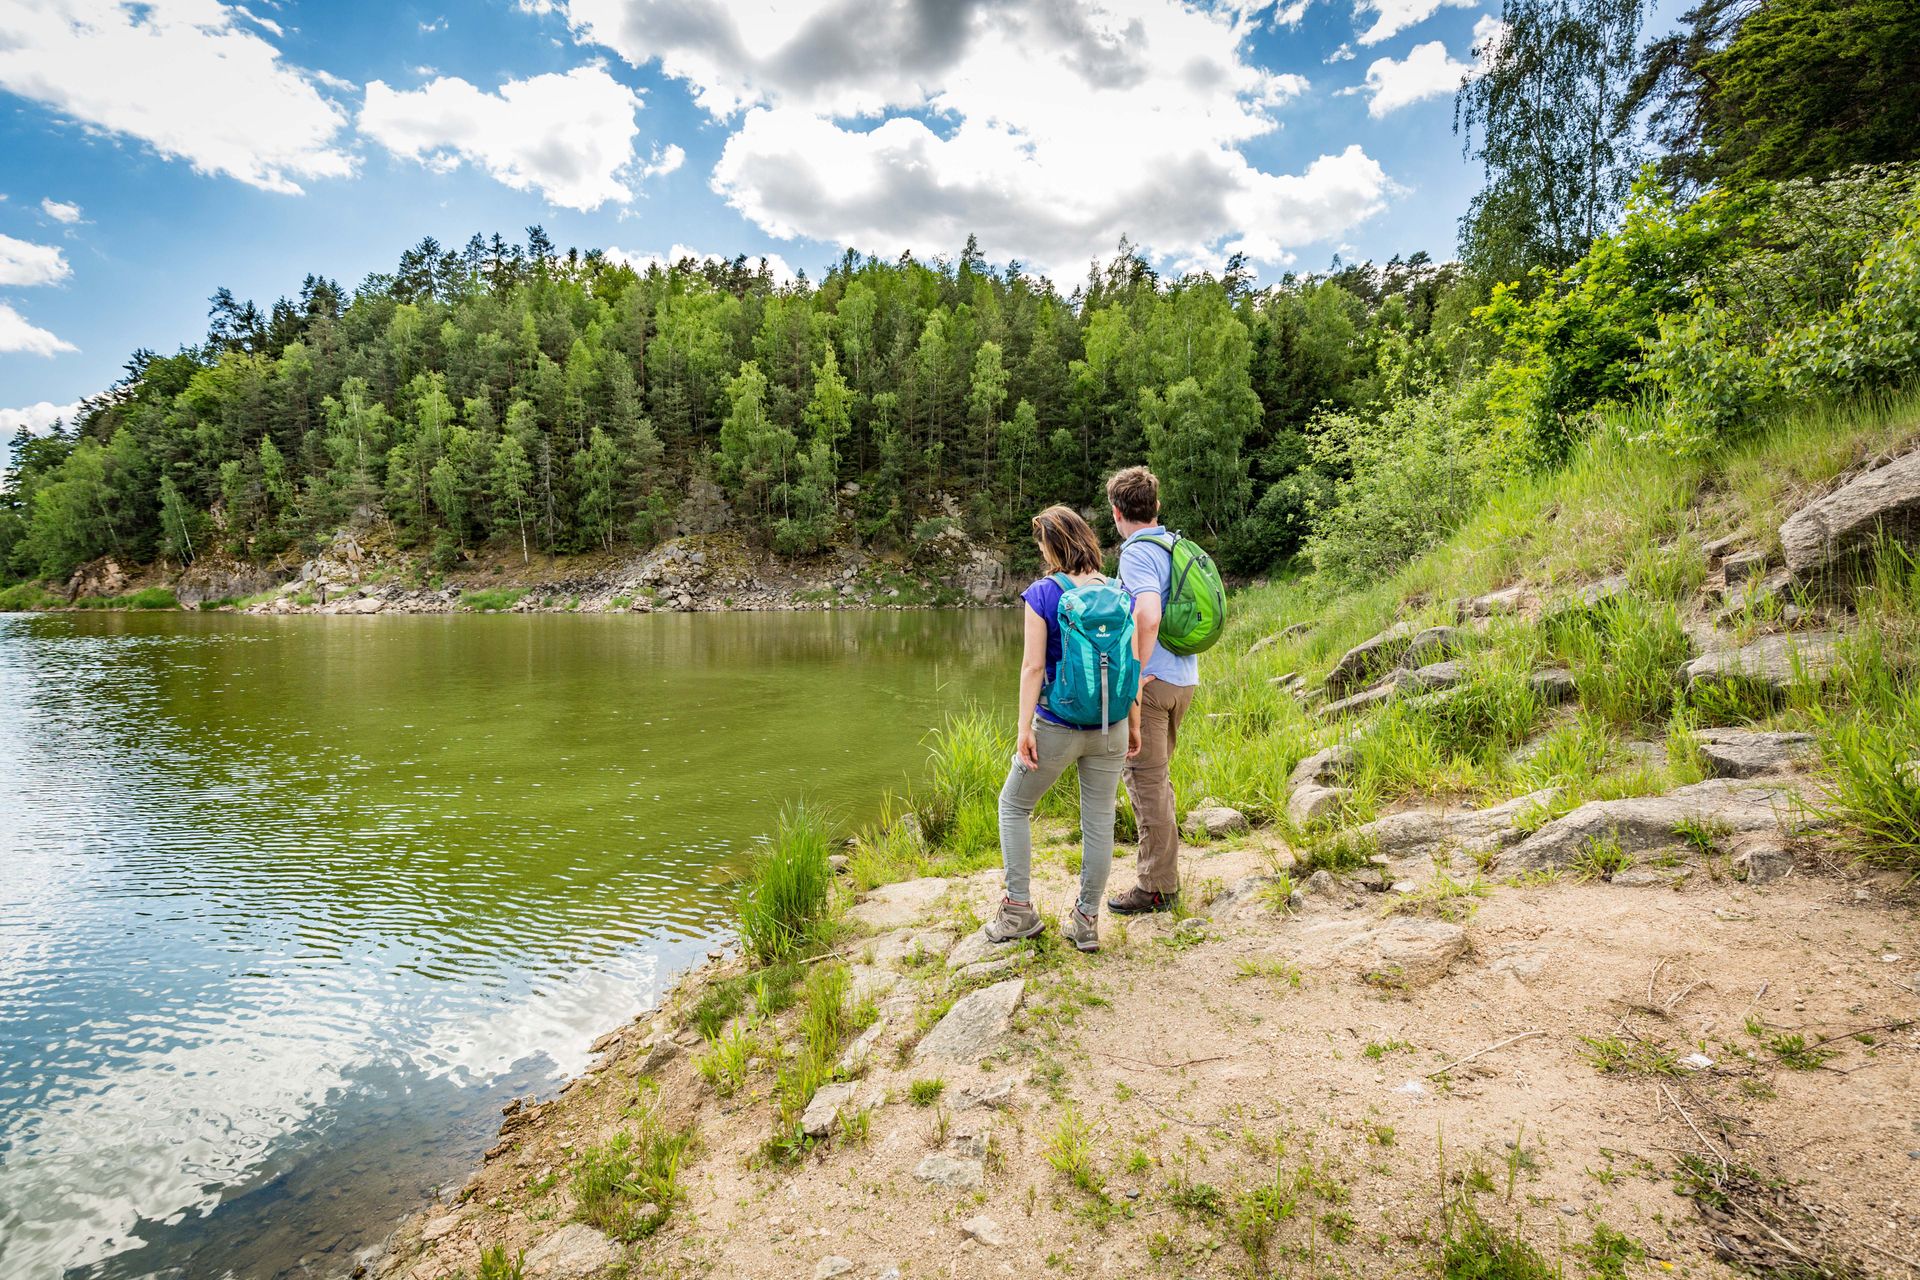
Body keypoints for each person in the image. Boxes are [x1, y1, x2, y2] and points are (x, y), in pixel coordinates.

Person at [987, 505, 1141, 953]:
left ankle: (1018, 910)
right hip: (1110, 726)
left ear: (1051, 546)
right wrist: (1133, 723)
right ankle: (1087, 920)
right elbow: (1128, 664)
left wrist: (1023, 728)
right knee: (1099, 822)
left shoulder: (1044, 592)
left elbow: (1033, 665)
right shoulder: (1119, 592)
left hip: (1057, 725)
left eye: (1040, 544)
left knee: (1013, 806)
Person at [1104, 466, 1198, 914]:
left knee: (1145, 781)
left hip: (1154, 684)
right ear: (1156, 507)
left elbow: (1148, 615)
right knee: (1156, 781)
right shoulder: (1174, 544)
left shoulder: (1136, 552)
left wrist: (1134, 678)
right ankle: (1162, 876)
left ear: (1117, 513)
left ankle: (1156, 888)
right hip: (1183, 679)